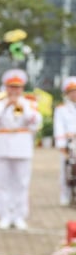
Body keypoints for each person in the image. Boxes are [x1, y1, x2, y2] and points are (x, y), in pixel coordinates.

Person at [0, 69, 42, 229]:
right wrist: (5, 106)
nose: (14, 91)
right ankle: (4, 214)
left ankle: (19, 215)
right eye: (11, 87)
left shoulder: (29, 103)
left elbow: (36, 122)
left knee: (21, 183)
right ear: (6, 87)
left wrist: (22, 105)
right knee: (1, 183)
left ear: (22, 88)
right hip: (0, 147)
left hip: (22, 148)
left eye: (17, 87)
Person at [54, 76, 76, 206]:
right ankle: (65, 195)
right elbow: (59, 127)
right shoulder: (61, 109)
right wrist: (61, 145)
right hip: (69, 143)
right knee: (66, 169)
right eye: (71, 91)